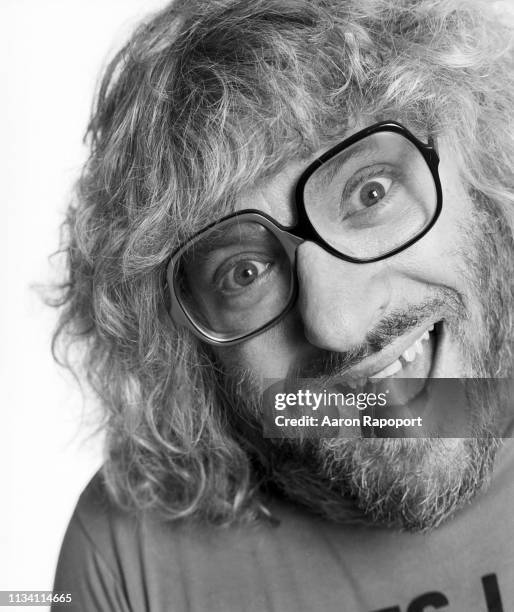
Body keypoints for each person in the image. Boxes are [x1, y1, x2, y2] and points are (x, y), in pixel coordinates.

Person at [51, 0, 514, 610]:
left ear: (486, 162)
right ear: (181, 349)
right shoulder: (126, 555)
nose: (338, 327)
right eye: (244, 273)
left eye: (369, 192)